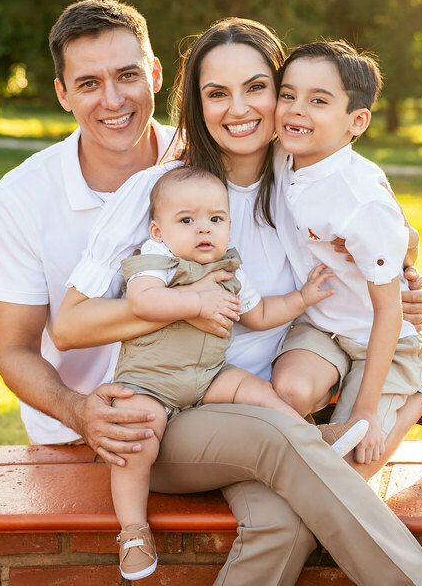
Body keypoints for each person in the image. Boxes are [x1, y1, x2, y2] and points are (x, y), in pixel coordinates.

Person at [0, 0, 422, 585]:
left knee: (283, 522)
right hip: (179, 410)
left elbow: (381, 230)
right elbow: (72, 325)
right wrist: (188, 305)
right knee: (279, 437)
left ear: (281, 95)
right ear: (194, 101)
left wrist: (410, 275)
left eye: (257, 87)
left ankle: (412, 397)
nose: (239, 109)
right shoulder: (165, 191)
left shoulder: (298, 172)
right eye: (216, 93)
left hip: (269, 399)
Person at [99, 165, 367, 579]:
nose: (203, 229)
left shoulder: (229, 267)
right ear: (158, 230)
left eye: (215, 219)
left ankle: (310, 435)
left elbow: (258, 314)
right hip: (149, 383)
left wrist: (302, 297)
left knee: (253, 389)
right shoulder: (154, 260)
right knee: (139, 436)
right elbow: (144, 303)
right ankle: (133, 531)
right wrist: (199, 302)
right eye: (186, 220)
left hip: (208, 375)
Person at [268, 40, 422, 481]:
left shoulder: (360, 200)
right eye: (287, 95)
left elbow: (389, 311)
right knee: (286, 394)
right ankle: (341, 418)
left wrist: (365, 414)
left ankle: (421, 396)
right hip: (322, 326)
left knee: (345, 478)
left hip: (383, 340)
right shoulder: (280, 156)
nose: (296, 110)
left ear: (357, 121)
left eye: (319, 101)